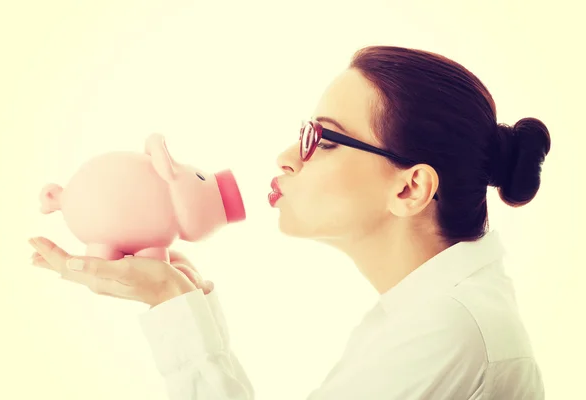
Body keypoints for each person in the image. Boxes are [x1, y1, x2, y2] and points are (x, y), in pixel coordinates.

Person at [29, 45, 551, 399]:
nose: (285, 156)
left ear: (409, 188)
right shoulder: (434, 310)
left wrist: (171, 305)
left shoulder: (450, 328)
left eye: (321, 140)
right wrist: (182, 302)